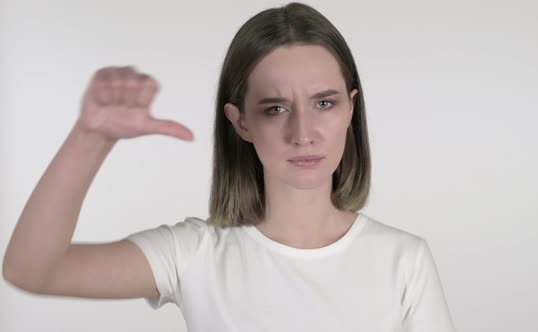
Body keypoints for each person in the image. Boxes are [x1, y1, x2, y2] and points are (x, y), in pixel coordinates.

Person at [2, 2, 456, 331]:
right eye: (275, 108)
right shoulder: (194, 254)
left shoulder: (403, 261)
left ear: (351, 109)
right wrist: (91, 138)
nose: (303, 132)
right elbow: (31, 270)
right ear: (240, 122)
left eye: (323, 102)